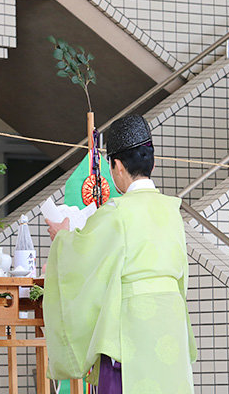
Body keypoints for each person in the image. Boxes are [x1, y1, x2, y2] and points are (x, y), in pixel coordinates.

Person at [43, 114, 196, 393]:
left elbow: (82, 261)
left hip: (132, 324)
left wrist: (61, 238)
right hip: (170, 322)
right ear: (153, 162)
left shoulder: (116, 212)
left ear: (117, 166)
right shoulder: (172, 210)